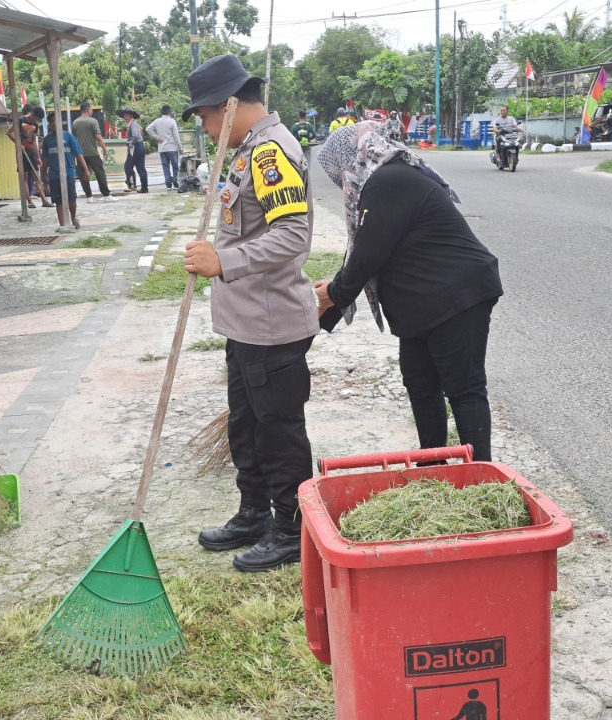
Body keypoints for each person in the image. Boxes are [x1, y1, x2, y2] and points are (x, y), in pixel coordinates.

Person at [181, 54, 317, 573]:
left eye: (206, 118)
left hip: (271, 325)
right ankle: (254, 512)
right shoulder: (248, 152)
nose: (206, 128)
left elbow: (291, 235)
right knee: (247, 425)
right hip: (245, 324)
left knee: (278, 429)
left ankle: (290, 526)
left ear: (229, 105)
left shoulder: (271, 153)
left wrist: (225, 261)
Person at [313, 121, 502, 463]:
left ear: (350, 158)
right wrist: (327, 306)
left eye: (337, 170)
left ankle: (482, 476)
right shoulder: (383, 180)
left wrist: (335, 294)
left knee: (464, 388)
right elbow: (365, 253)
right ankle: (433, 469)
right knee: (420, 384)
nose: (340, 180)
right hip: (423, 305)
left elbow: (368, 254)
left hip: (456, 295)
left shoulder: (389, 179)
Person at [41, 111, 90, 229]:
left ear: (61, 123)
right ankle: (63, 225)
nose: (53, 124)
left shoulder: (69, 137)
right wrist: (43, 175)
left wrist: (86, 170)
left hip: (69, 172)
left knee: (71, 198)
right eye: (51, 122)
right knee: (58, 201)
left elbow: (78, 154)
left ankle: (73, 217)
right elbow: (45, 160)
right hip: (54, 175)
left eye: (55, 121)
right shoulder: (47, 140)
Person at [5, 107, 50, 208]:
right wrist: (18, 143)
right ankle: (29, 201)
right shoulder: (20, 120)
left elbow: (34, 141)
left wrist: (38, 156)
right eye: (37, 119)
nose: (37, 121)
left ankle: (44, 201)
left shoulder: (35, 125)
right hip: (22, 152)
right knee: (24, 177)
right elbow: (8, 133)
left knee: (36, 176)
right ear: (32, 115)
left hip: (32, 152)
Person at [71, 102, 110, 198]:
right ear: (88, 110)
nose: (92, 111)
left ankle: (89, 196)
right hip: (92, 153)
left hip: (80, 154)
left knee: (83, 174)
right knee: (100, 173)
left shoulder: (75, 122)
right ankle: (106, 195)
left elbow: (73, 139)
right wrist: (104, 149)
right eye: (91, 109)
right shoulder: (93, 121)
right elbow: (98, 137)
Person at [146, 104, 184, 190]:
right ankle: (175, 183)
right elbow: (176, 136)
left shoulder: (157, 121)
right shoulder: (172, 121)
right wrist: (180, 147)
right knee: (175, 166)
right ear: (169, 112)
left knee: (165, 166)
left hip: (162, 148)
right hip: (171, 147)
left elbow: (148, 129)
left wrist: (156, 137)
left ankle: (168, 185)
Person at [119, 108, 149, 193]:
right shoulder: (133, 124)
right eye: (124, 116)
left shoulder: (132, 124)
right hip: (139, 146)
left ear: (131, 116)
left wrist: (131, 144)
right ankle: (144, 187)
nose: (125, 117)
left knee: (128, 166)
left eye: (127, 115)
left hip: (135, 146)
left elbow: (135, 136)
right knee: (140, 167)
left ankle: (132, 185)